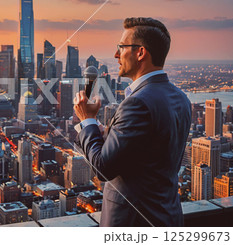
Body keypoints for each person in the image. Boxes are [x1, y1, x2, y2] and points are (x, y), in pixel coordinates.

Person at [74, 17, 191, 226]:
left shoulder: (137, 103)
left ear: (140, 52)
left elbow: (103, 169)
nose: (116, 54)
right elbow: (149, 153)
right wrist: (104, 131)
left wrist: (87, 121)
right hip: (169, 216)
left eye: (121, 47)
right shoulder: (181, 98)